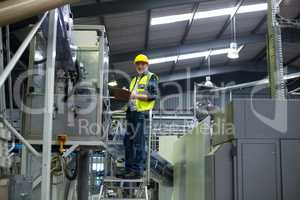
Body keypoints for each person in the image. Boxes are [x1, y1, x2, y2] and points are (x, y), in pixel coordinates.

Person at [122, 54, 159, 179]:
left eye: (143, 63)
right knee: (127, 142)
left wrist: (135, 96)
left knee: (138, 143)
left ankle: (137, 171)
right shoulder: (134, 80)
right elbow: (131, 97)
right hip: (131, 113)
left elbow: (153, 95)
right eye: (138, 63)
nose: (140, 66)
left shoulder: (151, 77)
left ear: (147, 65)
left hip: (140, 114)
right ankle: (128, 170)